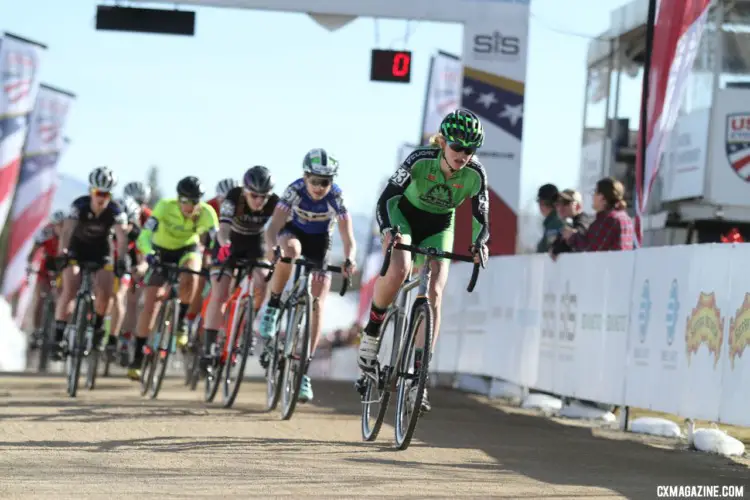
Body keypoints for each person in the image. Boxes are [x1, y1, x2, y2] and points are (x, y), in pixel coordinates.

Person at [358, 109, 489, 413]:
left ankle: (419, 374)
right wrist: (389, 229)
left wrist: (478, 244)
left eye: (470, 150)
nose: (463, 155)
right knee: (400, 269)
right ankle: (372, 331)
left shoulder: (476, 174)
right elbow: (386, 198)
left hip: (439, 226)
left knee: (435, 293)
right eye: (458, 147)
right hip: (404, 216)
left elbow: (481, 218)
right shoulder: (420, 159)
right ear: (443, 142)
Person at [259, 148, 357, 403]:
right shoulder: (294, 190)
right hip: (293, 233)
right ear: (304, 177)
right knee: (290, 250)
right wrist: (273, 249)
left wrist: (350, 259)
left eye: (324, 182)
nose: (318, 187)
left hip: (320, 242)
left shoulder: (337, 196)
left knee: (318, 300)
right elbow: (273, 228)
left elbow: (348, 237)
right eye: (313, 180)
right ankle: (273, 306)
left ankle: (303, 371)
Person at [128, 176, 218, 380]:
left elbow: (216, 240)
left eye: (195, 201)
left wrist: (216, 258)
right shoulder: (164, 206)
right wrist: (148, 252)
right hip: (161, 251)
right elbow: (145, 234)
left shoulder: (206, 213)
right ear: (178, 199)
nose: (190, 206)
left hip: (188, 249)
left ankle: (182, 323)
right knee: (151, 304)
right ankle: (138, 357)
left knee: (191, 274)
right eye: (185, 201)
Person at [202, 166, 279, 369]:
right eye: (254, 195)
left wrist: (277, 251)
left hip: (255, 245)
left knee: (262, 280)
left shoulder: (275, 202)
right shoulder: (233, 196)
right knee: (220, 292)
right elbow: (224, 228)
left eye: (264, 196)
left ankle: (248, 326)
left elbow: (277, 232)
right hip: (230, 242)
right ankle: (208, 347)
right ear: (245, 190)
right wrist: (225, 245)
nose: (259, 201)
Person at [52, 167, 130, 359]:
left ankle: (98, 325)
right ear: (91, 191)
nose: (102, 198)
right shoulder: (79, 205)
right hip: (78, 249)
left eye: (106, 194)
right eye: (98, 193)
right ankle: (58, 337)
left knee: (105, 292)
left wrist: (121, 260)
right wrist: (62, 252)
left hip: (101, 252)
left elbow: (121, 239)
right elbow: (67, 231)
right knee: (70, 288)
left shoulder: (115, 210)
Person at [185, 177, 240, 331]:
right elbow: (202, 236)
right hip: (210, 246)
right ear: (218, 198)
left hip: (231, 247)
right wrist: (205, 256)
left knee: (230, 284)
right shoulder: (210, 206)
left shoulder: (240, 208)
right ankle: (190, 318)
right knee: (201, 280)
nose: (227, 205)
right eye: (223, 200)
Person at [107, 196, 143, 359]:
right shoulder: (107, 228)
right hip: (106, 263)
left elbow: (143, 260)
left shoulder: (137, 235)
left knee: (118, 296)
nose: (124, 226)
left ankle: (113, 338)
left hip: (125, 267)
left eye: (129, 222)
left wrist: (140, 269)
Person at [27, 210, 65, 349]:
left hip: (61, 268)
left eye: (62, 225)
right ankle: (36, 331)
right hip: (46, 266)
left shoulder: (68, 234)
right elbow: (32, 252)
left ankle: (59, 326)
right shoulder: (45, 232)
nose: (60, 228)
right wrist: (30, 266)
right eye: (57, 225)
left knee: (60, 296)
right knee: (40, 297)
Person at [563, 177, 634, 252]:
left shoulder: (607, 220)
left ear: (603, 198)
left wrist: (573, 237)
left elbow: (591, 251)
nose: (593, 196)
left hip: (607, 263)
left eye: (595, 192)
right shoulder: (625, 218)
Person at [549, 189, 593, 261]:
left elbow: (576, 238)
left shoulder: (584, 220)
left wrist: (557, 247)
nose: (560, 207)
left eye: (566, 203)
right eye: (557, 203)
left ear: (578, 206)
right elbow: (554, 247)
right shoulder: (569, 223)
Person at [536, 183, 563, 253]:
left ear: (543, 202)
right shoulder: (554, 221)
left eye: (540, 202)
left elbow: (548, 249)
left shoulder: (554, 224)